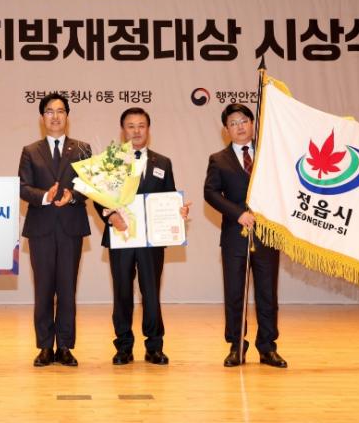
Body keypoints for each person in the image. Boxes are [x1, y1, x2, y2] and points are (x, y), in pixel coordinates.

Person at [94, 107, 190, 366]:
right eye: (131, 126)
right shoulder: (111, 161)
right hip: (121, 236)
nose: (136, 131)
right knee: (122, 293)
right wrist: (110, 217)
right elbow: (98, 198)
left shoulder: (163, 162)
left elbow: (169, 196)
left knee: (151, 292)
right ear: (122, 130)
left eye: (141, 126)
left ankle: (154, 347)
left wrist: (178, 212)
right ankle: (124, 347)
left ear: (148, 129)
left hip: (151, 241)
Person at [203, 103, 287, 368]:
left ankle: (268, 347)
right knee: (235, 294)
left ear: (252, 123)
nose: (239, 127)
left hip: (267, 235)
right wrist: (237, 213)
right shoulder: (218, 159)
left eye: (243, 121)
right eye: (233, 123)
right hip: (234, 236)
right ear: (226, 130)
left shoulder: (269, 155)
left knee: (267, 294)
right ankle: (236, 346)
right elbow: (210, 193)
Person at [18, 93, 91, 367]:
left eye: (60, 111)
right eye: (49, 111)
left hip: (71, 227)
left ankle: (65, 346)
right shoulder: (30, 151)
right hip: (42, 229)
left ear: (67, 116)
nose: (55, 116)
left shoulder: (82, 149)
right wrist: (45, 197)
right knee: (44, 289)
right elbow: (22, 187)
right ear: (42, 117)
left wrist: (72, 196)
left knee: (68, 290)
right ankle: (45, 346)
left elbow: (90, 186)